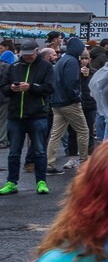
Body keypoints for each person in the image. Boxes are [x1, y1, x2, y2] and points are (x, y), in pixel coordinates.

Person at [0, 39, 54, 195]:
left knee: (39, 151)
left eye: (30, 54)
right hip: (15, 115)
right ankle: (11, 182)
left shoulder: (46, 67)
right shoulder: (14, 67)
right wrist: (10, 88)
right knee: (14, 152)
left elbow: (49, 88)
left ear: (37, 51)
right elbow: (3, 87)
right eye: (24, 54)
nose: (27, 57)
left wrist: (31, 87)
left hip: (37, 115)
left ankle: (41, 181)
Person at [47, 37, 89, 175]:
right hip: (69, 103)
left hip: (57, 103)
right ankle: (84, 163)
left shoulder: (61, 61)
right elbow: (71, 83)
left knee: (55, 134)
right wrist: (76, 97)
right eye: (82, 47)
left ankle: (49, 164)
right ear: (77, 48)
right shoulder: (72, 61)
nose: (83, 50)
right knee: (83, 131)